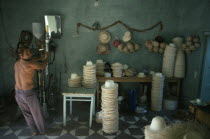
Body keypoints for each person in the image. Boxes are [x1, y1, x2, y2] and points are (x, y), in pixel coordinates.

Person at [14, 45, 48, 135]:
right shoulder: (30, 64)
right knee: (36, 113)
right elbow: (43, 65)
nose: (30, 54)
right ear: (21, 55)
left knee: (27, 114)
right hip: (28, 93)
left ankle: (33, 131)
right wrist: (47, 56)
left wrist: (39, 57)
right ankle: (42, 131)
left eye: (29, 51)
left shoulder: (17, 63)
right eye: (27, 53)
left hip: (18, 93)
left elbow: (31, 60)